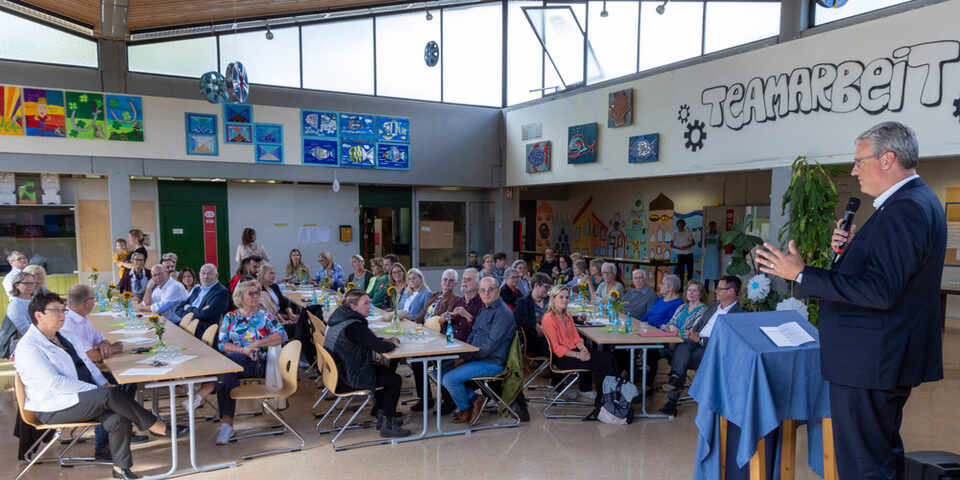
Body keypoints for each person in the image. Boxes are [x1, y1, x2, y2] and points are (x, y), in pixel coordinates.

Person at [756, 121, 945, 480]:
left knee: (863, 466)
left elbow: (880, 291)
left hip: (870, 362)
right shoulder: (914, 202)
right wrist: (847, 253)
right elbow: (886, 277)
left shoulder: (904, 210)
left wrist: (801, 274)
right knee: (878, 455)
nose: (854, 170)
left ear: (888, 159)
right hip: (877, 358)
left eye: (860, 160)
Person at [14, 291, 185, 480]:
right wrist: (98, 390)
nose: (63, 315)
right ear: (39, 315)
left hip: (78, 396)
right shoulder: (29, 347)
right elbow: (54, 384)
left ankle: (121, 470)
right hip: (53, 406)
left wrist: (102, 383)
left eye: (63, 310)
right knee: (109, 396)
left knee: (117, 416)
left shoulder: (65, 336)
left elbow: (88, 364)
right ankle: (156, 425)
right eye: (56, 310)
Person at [62, 285, 145, 460]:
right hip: (79, 377)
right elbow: (91, 357)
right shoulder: (69, 325)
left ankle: (125, 432)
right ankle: (103, 445)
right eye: (94, 299)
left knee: (128, 381)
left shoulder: (82, 319)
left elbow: (100, 339)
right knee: (115, 389)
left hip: (90, 370)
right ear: (86, 303)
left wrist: (104, 344)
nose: (95, 302)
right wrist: (111, 349)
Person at [323, 289, 410, 438]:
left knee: (383, 370)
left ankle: (381, 416)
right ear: (354, 307)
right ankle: (387, 426)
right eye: (366, 303)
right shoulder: (354, 326)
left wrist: (383, 340)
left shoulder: (340, 318)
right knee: (394, 379)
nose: (370, 306)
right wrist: (392, 344)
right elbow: (380, 348)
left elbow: (368, 340)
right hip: (349, 377)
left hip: (339, 372)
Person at [211, 280, 286, 444]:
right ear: (240, 297)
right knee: (228, 371)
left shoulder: (265, 316)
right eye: (251, 294)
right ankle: (227, 425)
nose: (256, 296)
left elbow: (282, 335)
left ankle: (205, 394)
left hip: (258, 364)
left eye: (257, 293)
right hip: (235, 362)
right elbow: (222, 344)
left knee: (226, 367)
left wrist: (255, 344)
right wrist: (243, 350)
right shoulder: (230, 317)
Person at [660, 275, 743, 415]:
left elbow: (728, 342)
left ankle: (673, 393)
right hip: (693, 342)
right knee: (684, 347)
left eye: (719, 288)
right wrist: (692, 334)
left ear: (731, 291)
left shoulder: (738, 315)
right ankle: (674, 384)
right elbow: (698, 325)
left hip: (712, 349)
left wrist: (700, 340)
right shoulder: (713, 307)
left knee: (682, 355)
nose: (715, 291)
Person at [440, 277, 514, 425]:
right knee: (439, 371)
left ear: (498, 291)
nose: (486, 294)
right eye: (482, 290)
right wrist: (463, 354)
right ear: (479, 292)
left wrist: (466, 358)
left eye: (490, 290)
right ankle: (475, 399)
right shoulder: (484, 308)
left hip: (492, 362)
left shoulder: (502, 313)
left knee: (449, 379)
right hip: (477, 357)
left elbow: (490, 346)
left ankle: (465, 409)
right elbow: (474, 334)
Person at [541, 285, 620, 401]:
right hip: (562, 357)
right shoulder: (548, 318)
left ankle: (615, 394)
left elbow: (576, 338)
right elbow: (556, 348)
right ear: (553, 299)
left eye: (567, 297)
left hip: (575, 351)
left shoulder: (566, 315)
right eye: (561, 297)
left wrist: (583, 349)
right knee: (603, 364)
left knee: (610, 357)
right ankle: (603, 398)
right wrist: (579, 355)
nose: (565, 300)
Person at [409, 269, 461, 411]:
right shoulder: (434, 295)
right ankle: (425, 399)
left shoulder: (455, 300)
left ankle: (448, 401)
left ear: (455, 283)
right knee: (417, 361)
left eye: (450, 280)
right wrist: (412, 324)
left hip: (438, 338)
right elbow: (423, 314)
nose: (447, 283)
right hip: (425, 335)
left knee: (440, 362)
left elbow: (443, 319)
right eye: (445, 279)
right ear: (441, 281)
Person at [175, 263, 230, 340]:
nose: (205, 276)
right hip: (186, 327)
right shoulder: (197, 289)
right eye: (203, 273)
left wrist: (188, 307)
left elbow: (205, 314)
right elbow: (178, 309)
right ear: (199, 274)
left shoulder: (222, 292)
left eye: (209, 273)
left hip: (202, 334)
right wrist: (197, 312)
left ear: (216, 275)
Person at [514, 272, 553, 358]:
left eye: (549, 287)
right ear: (536, 285)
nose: (548, 290)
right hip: (537, 340)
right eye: (546, 287)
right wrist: (534, 324)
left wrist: (578, 319)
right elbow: (516, 317)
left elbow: (562, 314)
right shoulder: (523, 302)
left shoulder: (550, 300)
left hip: (554, 336)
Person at [445, 268, 483, 342]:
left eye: (469, 279)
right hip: (450, 342)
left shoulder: (481, 304)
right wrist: (443, 321)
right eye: (464, 278)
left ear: (478, 286)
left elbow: (480, 331)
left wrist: (467, 316)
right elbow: (447, 326)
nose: (464, 281)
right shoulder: (458, 302)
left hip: (467, 346)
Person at [6, 271, 36, 335]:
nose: (30, 286)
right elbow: (25, 329)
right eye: (26, 283)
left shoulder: (37, 300)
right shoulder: (15, 305)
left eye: (32, 283)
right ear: (16, 285)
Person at [670, 219, 695, 283]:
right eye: (679, 224)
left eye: (681, 224)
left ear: (684, 225)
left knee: (690, 271)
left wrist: (686, 247)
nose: (680, 225)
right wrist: (679, 248)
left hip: (689, 254)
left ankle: (689, 286)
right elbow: (671, 244)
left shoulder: (688, 232)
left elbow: (693, 243)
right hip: (680, 254)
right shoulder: (675, 233)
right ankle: (680, 288)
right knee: (681, 271)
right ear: (677, 225)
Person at [701, 221, 721, 292]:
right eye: (711, 226)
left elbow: (720, 245)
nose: (712, 227)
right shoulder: (707, 234)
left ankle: (716, 288)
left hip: (715, 256)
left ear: (715, 226)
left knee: (715, 272)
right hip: (708, 255)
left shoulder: (718, 234)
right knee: (707, 272)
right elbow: (705, 244)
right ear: (709, 227)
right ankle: (706, 288)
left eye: (713, 226)